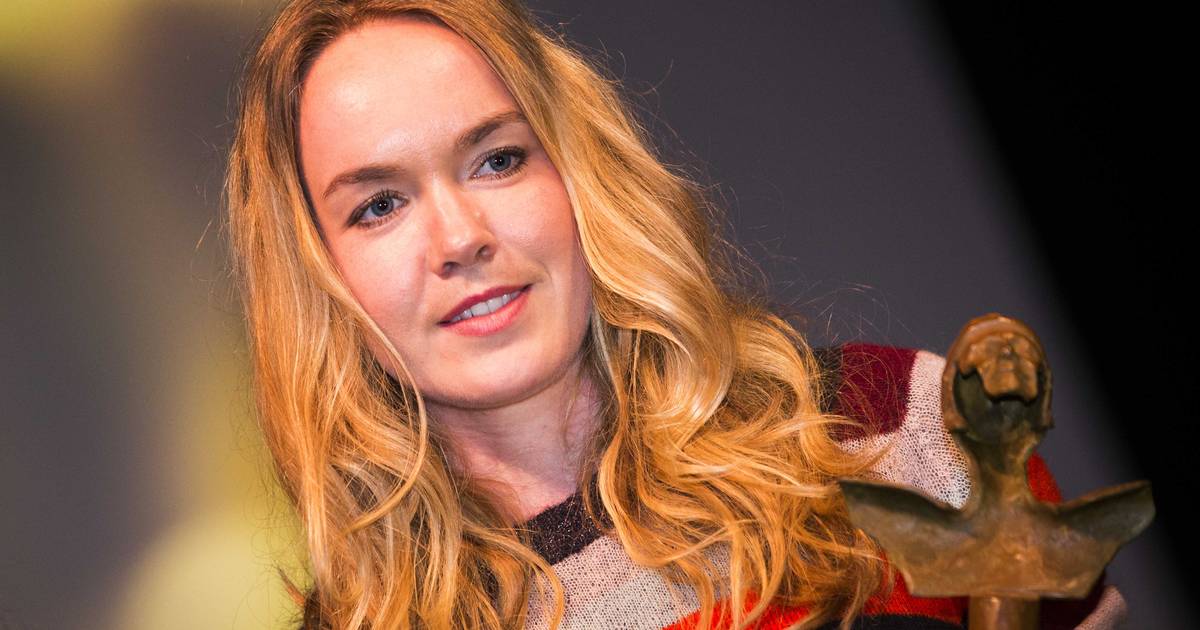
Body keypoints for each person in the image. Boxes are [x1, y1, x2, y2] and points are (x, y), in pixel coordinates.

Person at [224, 1, 1122, 628]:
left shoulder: (894, 426)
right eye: (379, 206)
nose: (459, 237)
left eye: (497, 159)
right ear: (319, 278)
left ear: (581, 173)